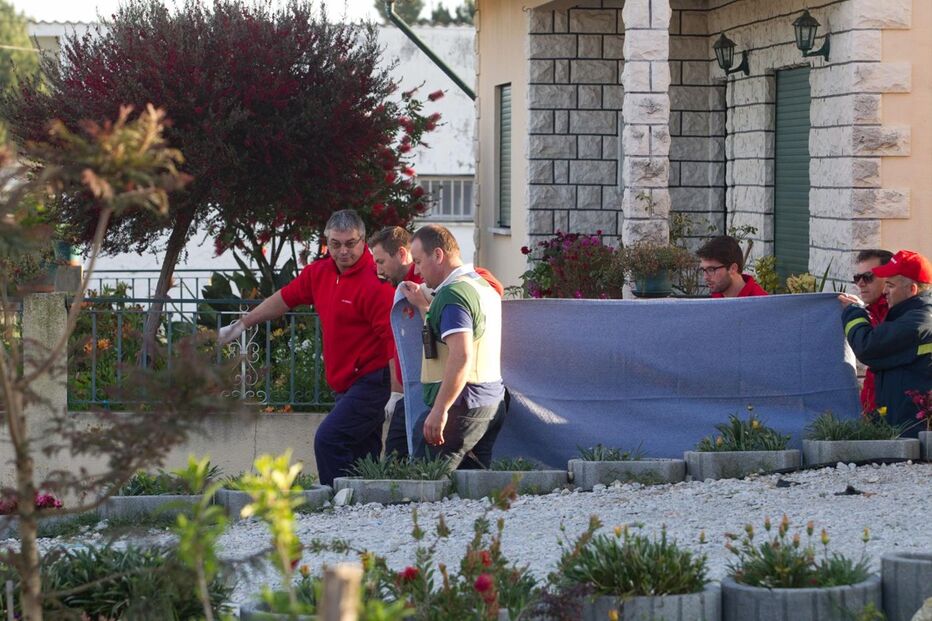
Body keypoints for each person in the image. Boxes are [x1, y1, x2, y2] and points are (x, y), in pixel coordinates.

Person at [217, 210, 396, 485]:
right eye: (336, 244)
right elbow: (285, 299)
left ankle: (334, 500)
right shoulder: (320, 272)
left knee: (329, 439)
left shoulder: (376, 283)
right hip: (343, 382)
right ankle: (363, 505)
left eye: (350, 243)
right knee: (362, 452)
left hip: (371, 379)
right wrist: (243, 324)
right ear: (327, 242)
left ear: (363, 242)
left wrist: (398, 391)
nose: (343, 251)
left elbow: (392, 340)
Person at [368, 225, 503, 458]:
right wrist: (424, 308)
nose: (417, 271)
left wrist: (440, 410)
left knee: (423, 483)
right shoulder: (480, 286)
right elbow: (444, 343)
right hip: (490, 401)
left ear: (438, 255)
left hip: (462, 405)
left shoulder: (453, 295)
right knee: (471, 488)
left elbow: (461, 356)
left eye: (419, 262)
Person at [839, 249, 932, 436]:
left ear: (912, 289)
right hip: (903, 425)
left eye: (890, 285)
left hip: (912, 432)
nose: (885, 291)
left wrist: (853, 313)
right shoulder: (905, 315)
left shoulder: (917, 321)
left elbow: (868, 346)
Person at [851, 249, 894, 412]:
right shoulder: (875, 310)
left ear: (887, 276)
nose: (860, 283)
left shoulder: (893, 310)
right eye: (857, 278)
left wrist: (851, 312)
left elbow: (870, 350)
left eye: (868, 277)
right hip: (874, 405)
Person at [696, 236, 768, 298]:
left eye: (711, 270)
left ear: (733, 268)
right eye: (703, 270)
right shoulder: (715, 299)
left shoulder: (761, 303)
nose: (705, 277)